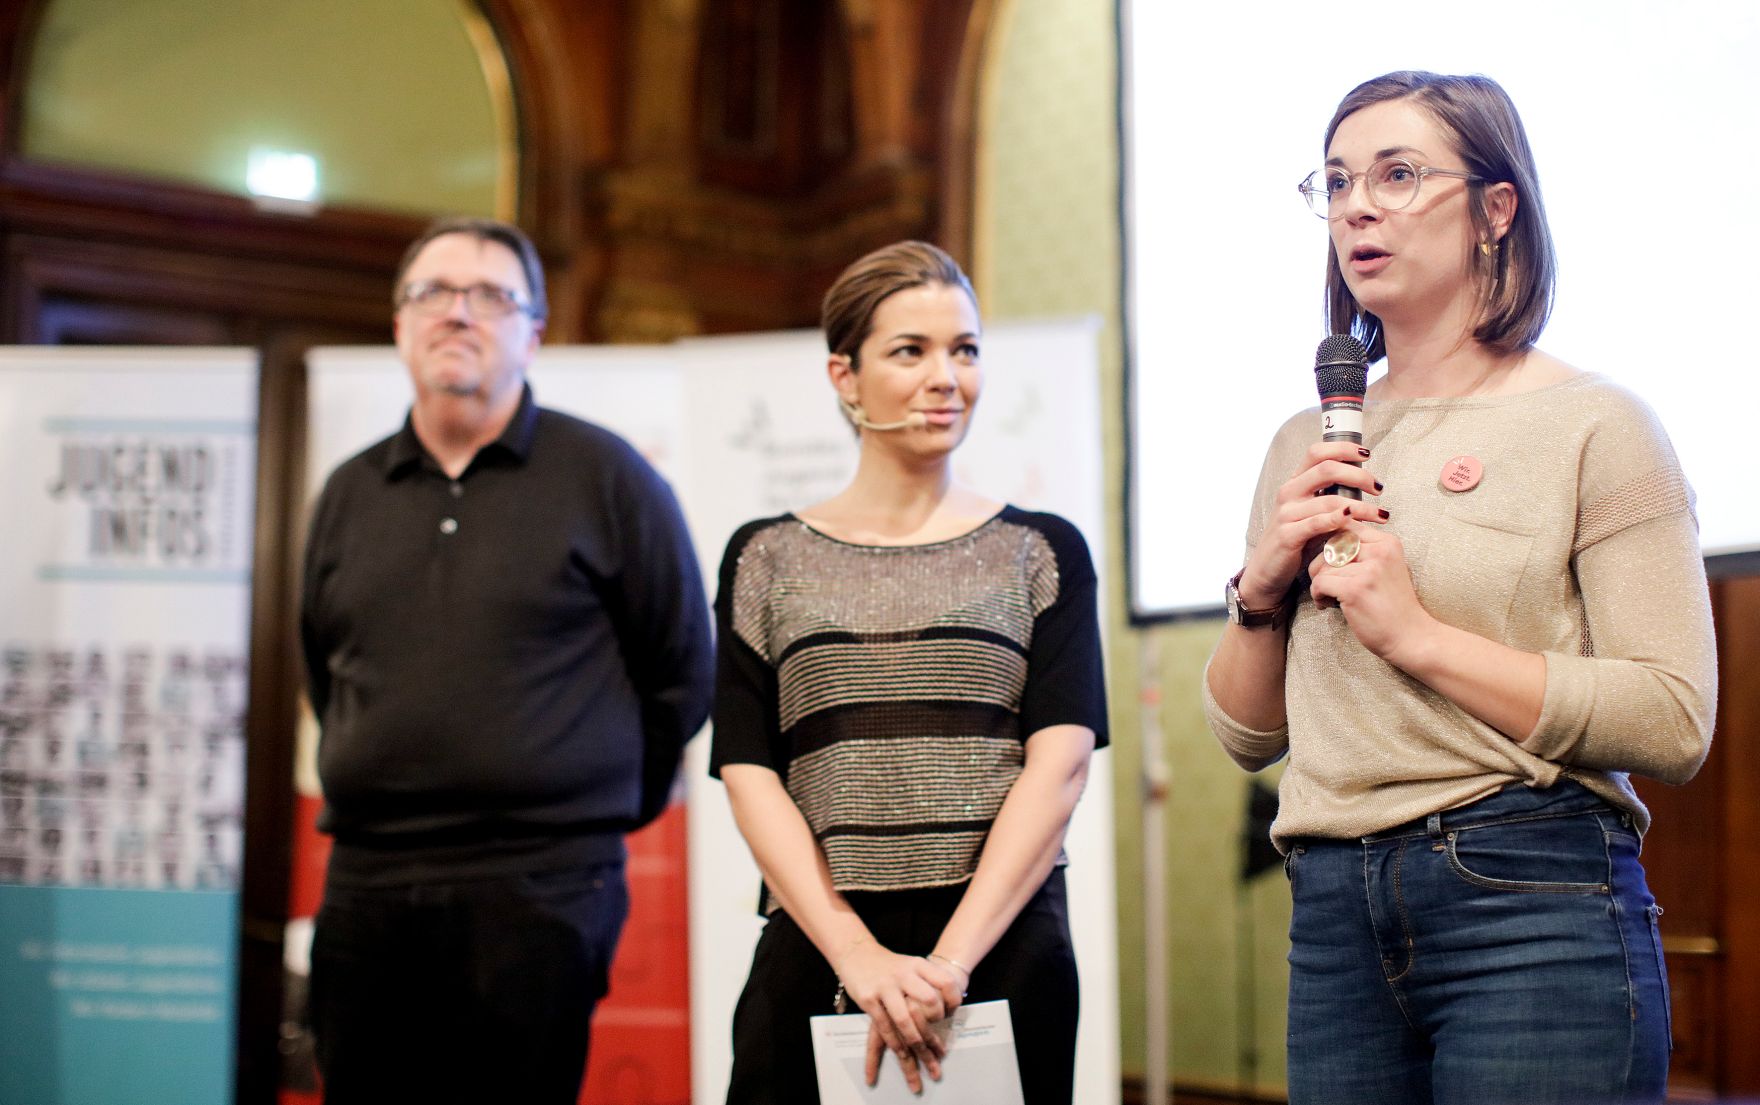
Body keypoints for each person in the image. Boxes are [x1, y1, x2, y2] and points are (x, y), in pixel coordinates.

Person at [1204, 71, 1717, 1105]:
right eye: (1338, 182)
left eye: (1396, 176)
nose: (1355, 206)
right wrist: (1259, 593)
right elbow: (1248, 738)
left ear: (1494, 209)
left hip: (1525, 895)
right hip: (1333, 912)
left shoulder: (1595, 424)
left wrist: (1416, 636)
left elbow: (1671, 720)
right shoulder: (1303, 440)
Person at [300, 216, 714, 1103]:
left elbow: (681, 664)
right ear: (400, 323)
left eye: (491, 296)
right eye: (434, 293)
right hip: (370, 877)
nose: (459, 313)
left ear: (534, 332)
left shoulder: (608, 476)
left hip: (544, 881)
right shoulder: (348, 491)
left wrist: (593, 800)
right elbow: (323, 664)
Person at [710, 240, 1107, 1104]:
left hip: (999, 944)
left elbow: (1061, 765)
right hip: (821, 940)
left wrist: (948, 964)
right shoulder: (764, 557)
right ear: (844, 377)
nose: (946, 376)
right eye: (910, 350)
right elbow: (748, 772)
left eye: (964, 350)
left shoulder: (1041, 550)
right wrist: (857, 954)